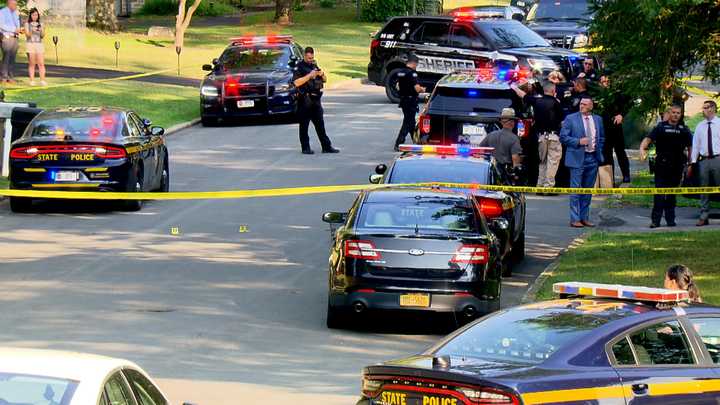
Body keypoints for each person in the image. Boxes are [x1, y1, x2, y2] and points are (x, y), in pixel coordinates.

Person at [639, 104, 692, 228]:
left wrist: (691, 163)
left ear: (681, 114)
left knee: (672, 194)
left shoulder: (684, 129)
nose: (675, 115)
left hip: (677, 165)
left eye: (678, 113)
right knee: (659, 194)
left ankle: (670, 220)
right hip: (661, 165)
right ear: (669, 113)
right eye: (673, 112)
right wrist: (642, 148)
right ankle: (655, 221)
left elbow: (691, 147)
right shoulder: (661, 127)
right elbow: (648, 139)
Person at [560, 97, 604, 228]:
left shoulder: (598, 119)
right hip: (577, 157)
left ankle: (584, 218)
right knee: (575, 190)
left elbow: (601, 137)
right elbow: (563, 137)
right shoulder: (570, 118)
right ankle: (575, 219)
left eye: (585, 104)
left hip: (593, 158)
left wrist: (598, 151)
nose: (582, 106)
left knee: (587, 190)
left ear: (591, 106)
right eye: (581, 104)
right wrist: (578, 142)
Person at [512, 80, 563, 192]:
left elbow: (523, 95)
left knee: (543, 162)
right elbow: (562, 120)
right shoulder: (556, 103)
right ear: (554, 91)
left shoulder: (537, 101)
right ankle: (548, 187)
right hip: (553, 136)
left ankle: (540, 185)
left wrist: (514, 87)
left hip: (541, 137)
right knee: (552, 161)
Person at [292, 46, 339, 155]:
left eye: (312, 58)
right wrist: (309, 76)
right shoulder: (299, 67)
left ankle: (326, 146)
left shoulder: (314, 65)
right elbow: (296, 83)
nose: (311, 60)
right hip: (305, 100)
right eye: (309, 58)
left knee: (320, 125)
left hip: (316, 99)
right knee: (304, 125)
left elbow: (325, 80)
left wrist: (321, 74)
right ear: (304, 56)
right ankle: (305, 147)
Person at [690, 100, 719, 226]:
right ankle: (704, 216)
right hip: (704, 161)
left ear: (712, 108)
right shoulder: (700, 126)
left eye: (706, 108)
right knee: (704, 189)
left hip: (718, 159)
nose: (703, 110)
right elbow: (695, 145)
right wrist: (693, 162)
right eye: (703, 108)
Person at [598, 75, 631, 183]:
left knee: (620, 152)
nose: (606, 83)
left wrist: (621, 115)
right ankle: (609, 180)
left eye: (608, 81)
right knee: (606, 153)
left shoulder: (617, 94)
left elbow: (628, 103)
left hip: (616, 127)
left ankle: (626, 175)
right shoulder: (597, 95)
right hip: (603, 127)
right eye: (604, 81)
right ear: (599, 83)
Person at [394, 53, 425, 151]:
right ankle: (399, 142)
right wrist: (422, 89)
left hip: (403, 100)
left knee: (411, 122)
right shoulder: (413, 73)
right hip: (411, 100)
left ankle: (416, 141)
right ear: (414, 63)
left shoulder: (401, 72)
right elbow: (417, 89)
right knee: (408, 122)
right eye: (417, 64)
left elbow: (397, 86)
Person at [479, 107, 523, 176]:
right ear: (512, 122)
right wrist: (516, 175)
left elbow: (480, 151)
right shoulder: (514, 138)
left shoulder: (491, 135)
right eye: (513, 121)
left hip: (490, 172)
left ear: (502, 122)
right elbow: (515, 159)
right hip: (505, 174)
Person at [0, 0, 23, 84]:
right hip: (7, 37)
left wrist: (20, 30)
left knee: (12, 59)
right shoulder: (2, 12)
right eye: (14, 4)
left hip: (15, 37)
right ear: (9, 4)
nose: (15, 6)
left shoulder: (15, 13)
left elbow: (17, 24)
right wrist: (14, 29)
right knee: (6, 57)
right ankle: (3, 77)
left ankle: (10, 77)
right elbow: (1, 25)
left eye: (16, 4)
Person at [25, 8, 45, 86]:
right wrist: (32, 31)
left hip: (39, 45)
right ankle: (32, 80)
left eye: (36, 15)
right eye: (33, 15)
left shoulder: (41, 24)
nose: (35, 16)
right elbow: (27, 35)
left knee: (41, 63)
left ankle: (42, 80)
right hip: (30, 44)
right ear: (30, 15)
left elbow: (42, 36)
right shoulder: (27, 24)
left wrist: (41, 30)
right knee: (32, 63)